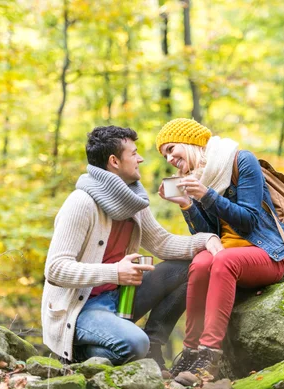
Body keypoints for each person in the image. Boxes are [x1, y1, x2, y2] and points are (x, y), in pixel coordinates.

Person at [41, 125, 220, 368]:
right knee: (135, 343)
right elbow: (55, 269)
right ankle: (85, 352)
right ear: (114, 161)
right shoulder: (81, 203)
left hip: (121, 299)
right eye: (134, 153)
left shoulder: (132, 199)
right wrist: (115, 272)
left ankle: (152, 346)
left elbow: (161, 242)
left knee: (189, 267)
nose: (141, 158)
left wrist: (206, 240)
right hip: (80, 309)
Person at [155, 118, 284, 377]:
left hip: (265, 253)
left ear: (190, 141)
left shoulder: (242, 161)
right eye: (165, 155)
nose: (169, 159)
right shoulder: (197, 176)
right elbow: (205, 235)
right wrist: (186, 204)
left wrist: (206, 195)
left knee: (222, 261)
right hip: (227, 254)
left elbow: (249, 220)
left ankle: (209, 355)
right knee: (199, 262)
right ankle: (190, 352)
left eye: (171, 149)